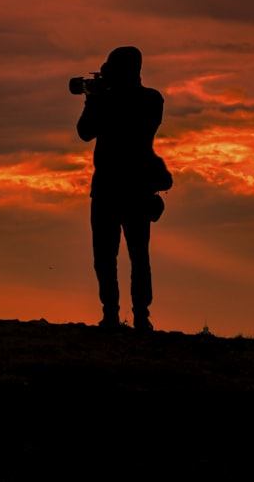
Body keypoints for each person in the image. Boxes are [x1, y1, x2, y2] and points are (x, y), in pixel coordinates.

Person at [76, 46, 164, 331]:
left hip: (111, 189)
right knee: (136, 255)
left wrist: (93, 99)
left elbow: (85, 131)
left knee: (111, 256)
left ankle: (115, 316)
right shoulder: (151, 99)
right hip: (134, 188)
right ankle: (138, 316)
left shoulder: (118, 100)